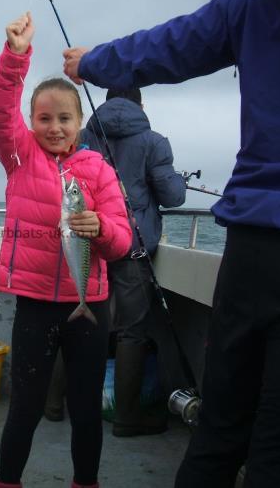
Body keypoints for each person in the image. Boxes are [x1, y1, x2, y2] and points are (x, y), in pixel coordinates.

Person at [62, 0, 280, 487]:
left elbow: (170, 44)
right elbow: (172, 197)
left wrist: (93, 61)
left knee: (217, 435)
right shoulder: (155, 139)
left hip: (250, 254)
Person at [0, 12, 132, 488]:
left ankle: (85, 482)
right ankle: (7, 481)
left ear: (80, 122)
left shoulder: (98, 170)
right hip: (35, 305)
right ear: (31, 123)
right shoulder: (19, 157)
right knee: (24, 407)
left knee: (86, 407)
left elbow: (122, 239)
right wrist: (16, 56)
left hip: (88, 307)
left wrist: (101, 228)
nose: (54, 127)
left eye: (64, 119)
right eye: (44, 119)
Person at [81, 87, 186, 437]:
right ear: (140, 105)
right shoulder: (153, 141)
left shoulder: (84, 137)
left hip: (89, 243)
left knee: (76, 323)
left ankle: (54, 406)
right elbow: (173, 197)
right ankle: (126, 417)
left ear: (108, 100)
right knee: (132, 331)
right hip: (131, 248)